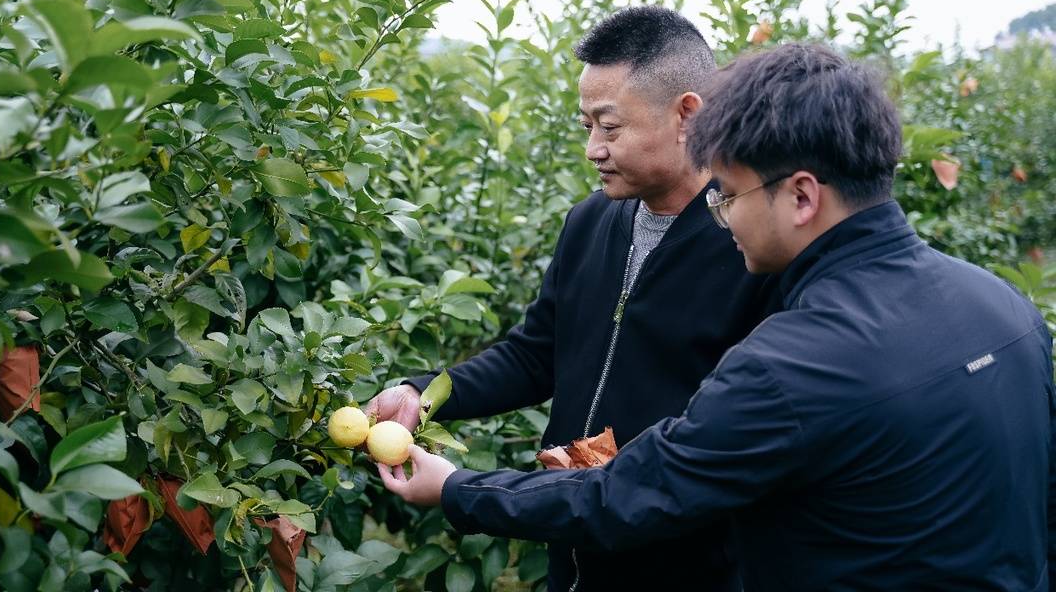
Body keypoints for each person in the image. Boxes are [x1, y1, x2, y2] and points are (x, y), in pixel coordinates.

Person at [378, 43, 1056, 590]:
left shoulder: (792, 359)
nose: (722, 215)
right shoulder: (1007, 309)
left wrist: (460, 489)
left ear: (799, 197)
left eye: (728, 195)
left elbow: (633, 493)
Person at [366, 6, 778, 591]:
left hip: (685, 559)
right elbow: (535, 355)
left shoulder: (749, 244)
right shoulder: (591, 223)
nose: (593, 148)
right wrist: (424, 394)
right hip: (572, 539)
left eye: (610, 127)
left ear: (687, 113)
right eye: (586, 125)